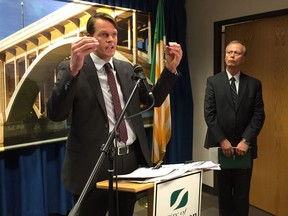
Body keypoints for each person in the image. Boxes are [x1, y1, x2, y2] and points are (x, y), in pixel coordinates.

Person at [47, 12, 182, 216]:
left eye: (114, 35)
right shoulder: (72, 68)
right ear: (89, 37)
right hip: (92, 164)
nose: (111, 40)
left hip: (129, 162)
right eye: (103, 35)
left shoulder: (127, 68)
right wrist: (73, 71)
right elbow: (56, 113)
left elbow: (152, 99)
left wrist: (170, 68)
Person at [204, 40, 265, 216]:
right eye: (229, 52)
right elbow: (209, 114)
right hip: (221, 149)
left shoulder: (254, 84)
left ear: (243, 58)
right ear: (224, 56)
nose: (232, 55)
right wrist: (223, 140)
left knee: (241, 195)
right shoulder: (213, 82)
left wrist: (246, 140)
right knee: (223, 196)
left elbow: (258, 115)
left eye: (237, 53)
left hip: (244, 150)